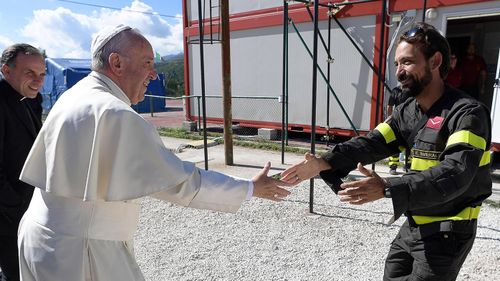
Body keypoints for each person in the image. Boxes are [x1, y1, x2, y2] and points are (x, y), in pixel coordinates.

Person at [17, 25, 291, 281]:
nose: (154, 73)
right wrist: (249, 188)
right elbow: (180, 183)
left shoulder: (76, 94)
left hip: (42, 236)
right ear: (117, 63)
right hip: (82, 251)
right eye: (147, 63)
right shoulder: (115, 113)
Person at [282, 22, 491, 280]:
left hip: (449, 231)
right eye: (396, 65)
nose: (399, 72)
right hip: (415, 224)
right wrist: (324, 162)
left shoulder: (467, 113)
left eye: (407, 62)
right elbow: (372, 143)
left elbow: (456, 172)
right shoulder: (408, 112)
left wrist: (388, 188)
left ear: (435, 61)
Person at [0, 44, 45, 281]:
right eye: (30, 73)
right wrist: (18, 210)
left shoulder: (29, 98)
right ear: (7, 71)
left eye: (42, 74)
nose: (38, 81)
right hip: (8, 218)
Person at [385, 85, 411, 175]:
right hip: (401, 121)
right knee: (400, 144)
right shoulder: (396, 91)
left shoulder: (398, 90)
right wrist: (390, 118)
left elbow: (389, 106)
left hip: (406, 122)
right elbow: (389, 106)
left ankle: (404, 167)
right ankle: (398, 167)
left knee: (405, 144)